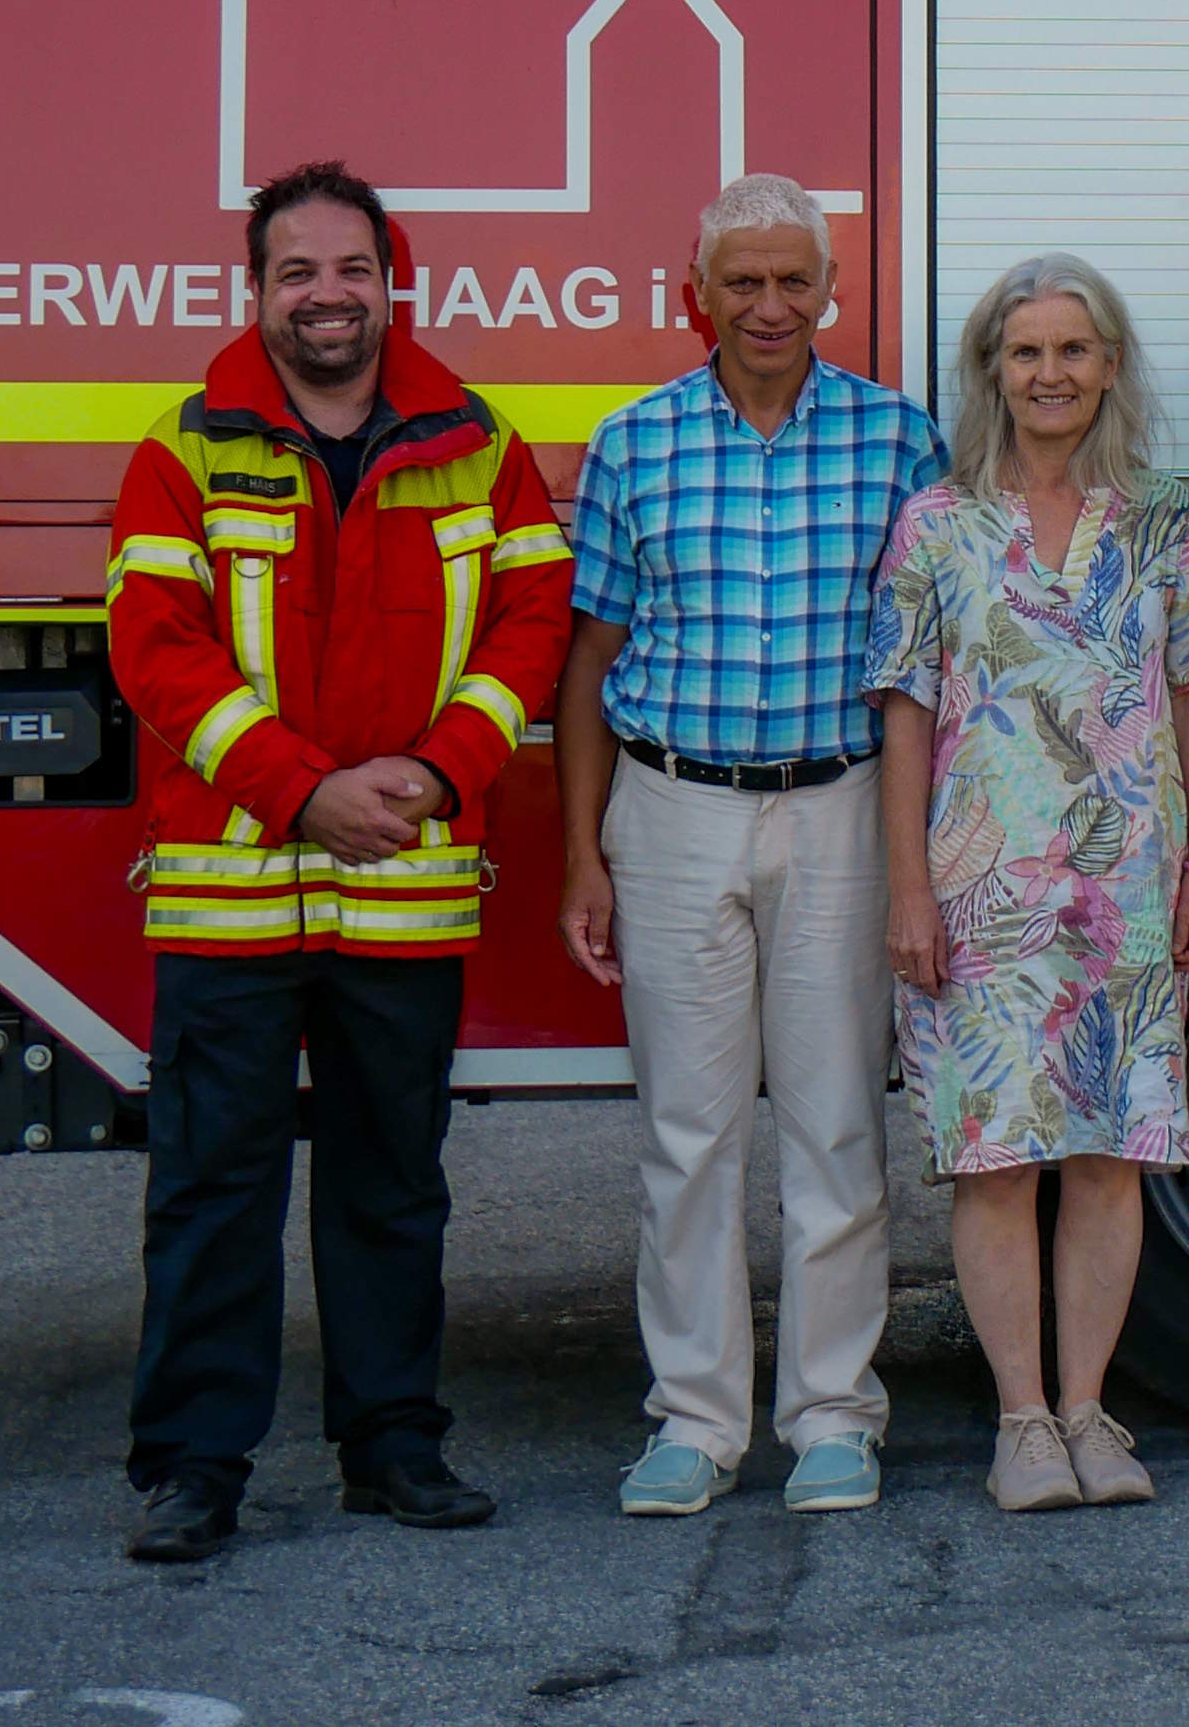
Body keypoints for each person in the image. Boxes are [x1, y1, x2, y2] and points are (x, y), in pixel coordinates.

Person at [105, 161, 573, 1565]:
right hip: (233, 884)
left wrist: (438, 772)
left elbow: (530, 625)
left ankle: (393, 1444)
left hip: (405, 880)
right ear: (258, 292)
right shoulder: (184, 448)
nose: (327, 294)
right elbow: (156, 652)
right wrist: (302, 789)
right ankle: (195, 1464)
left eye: (351, 268)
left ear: (391, 281)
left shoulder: (479, 446)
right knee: (212, 1183)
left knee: (391, 1178)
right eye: (298, 270)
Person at [557, 175, 948, 1518]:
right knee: (688, 1132)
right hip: (669, 810)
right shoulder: (635, 443)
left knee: (839, 1123)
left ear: (829, 290)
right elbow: (588, 658)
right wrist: (581, 856)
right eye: (744, 281)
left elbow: (928, 669)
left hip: (839, 804)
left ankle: (835, 1414)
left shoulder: (902, 441)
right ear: (698, 290)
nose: (770, 305)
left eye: (794, 280)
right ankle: (696, 1418)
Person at [871, 255, 1189, 1512]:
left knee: (1106, 1155)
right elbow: (906, 716)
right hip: (979, 900)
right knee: (994, 1158)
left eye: (1071, 352)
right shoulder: (935, 526)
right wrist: (910, 892)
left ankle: (1089, 1412)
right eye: (1024, 353)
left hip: (1124, 894)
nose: (1049, 375)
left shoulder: (1161, 522)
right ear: (991, 372)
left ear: (1109, 367)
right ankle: (1020, 1423)